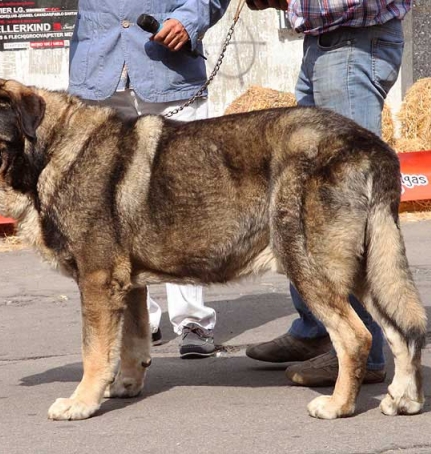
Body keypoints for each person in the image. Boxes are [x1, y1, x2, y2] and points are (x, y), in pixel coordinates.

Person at [245, 0, 412, 386]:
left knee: (344, 208)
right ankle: (317, 328)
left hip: (354, 46)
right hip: (324, 44)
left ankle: (363, 354)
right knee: (305, 206)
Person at [68, 0, 230, 358]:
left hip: (169, 70)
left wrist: (189, 21)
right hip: (98, 74)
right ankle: (139, 322)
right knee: (105, 213)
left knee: (183, 203)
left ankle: (192, 319)